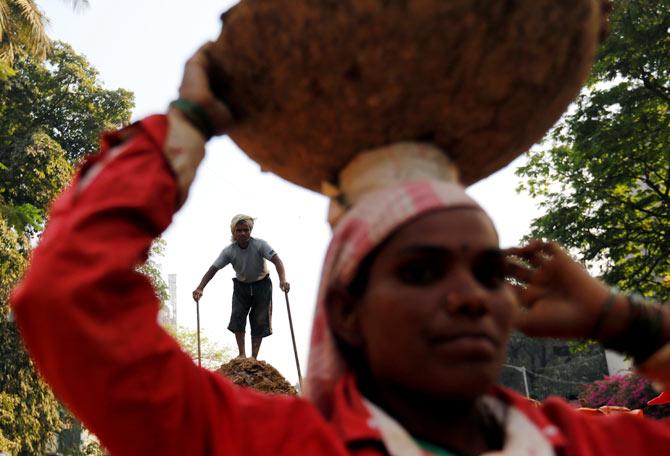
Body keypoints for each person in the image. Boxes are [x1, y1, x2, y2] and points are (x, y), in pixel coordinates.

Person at [10, 44, 670, 455]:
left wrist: (620, 316)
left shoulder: (579, 441)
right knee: (245, 326)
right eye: (419, 271)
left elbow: (272, 263)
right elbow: (70, 297)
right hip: (240, 289)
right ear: (347, 312)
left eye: (487, 271)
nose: (470, 297)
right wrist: (187, 123)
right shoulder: (269, 445)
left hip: (262, 285)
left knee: (259, 313)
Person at [192, 214, 289, 359]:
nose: (243, 233)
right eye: (239, 230)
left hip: (262, 285)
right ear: (234, 233)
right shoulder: (229, 251)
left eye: (246, 230)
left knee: (259, 319)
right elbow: (213, 270)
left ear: (250, 231)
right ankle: (242, 354)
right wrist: (200, 287)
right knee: (238, 316)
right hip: (241, 287)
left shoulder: (260, 245)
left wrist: (282, 280)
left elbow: (277, 261)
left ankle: (253, 357)